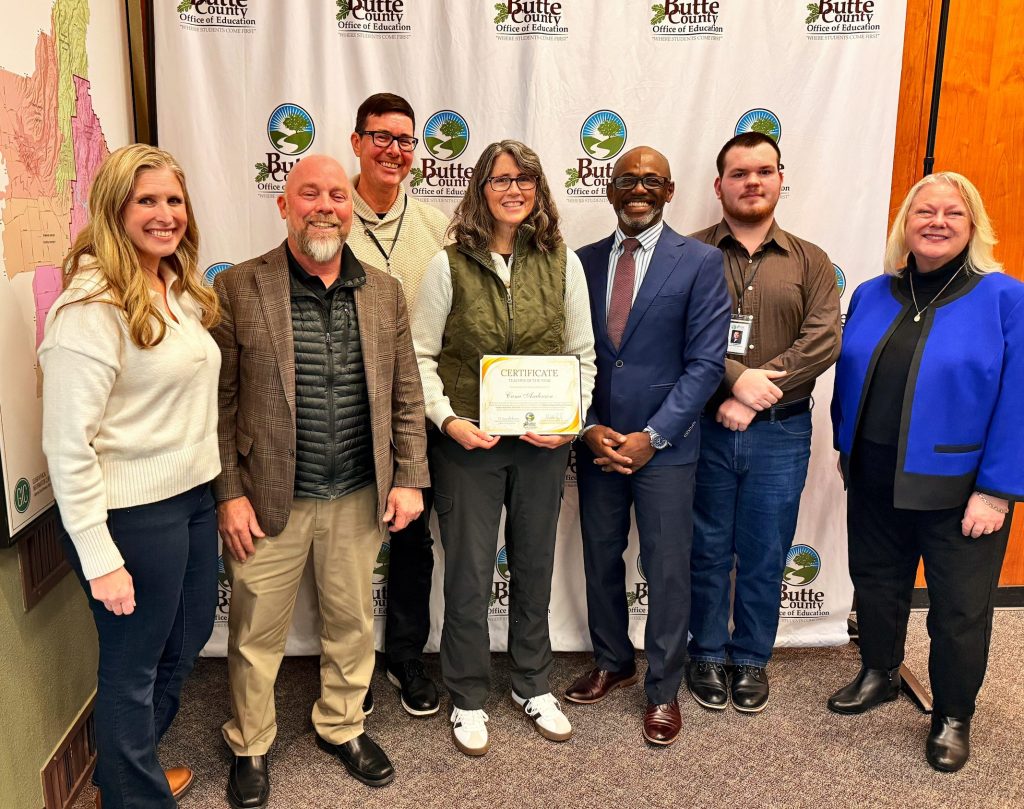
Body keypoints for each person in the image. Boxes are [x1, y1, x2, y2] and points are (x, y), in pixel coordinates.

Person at [213, 154, 428, 805]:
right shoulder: (239, 287)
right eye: (311, 193)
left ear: (351, 207)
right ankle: (250, 742)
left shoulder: (384, 290)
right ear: (285, 205)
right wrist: (229, 492)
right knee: (254, 633)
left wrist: (410, 476)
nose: (326, 206)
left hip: (358, 493)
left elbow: (407, 394)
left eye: (338, 194)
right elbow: (217, 402)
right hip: (268, 496)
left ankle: (342, 723)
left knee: (351, 620)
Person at [39, 144, 221, 808]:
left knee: (189, 637)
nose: (165, 213)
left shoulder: (174, 288)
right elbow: (66, 445)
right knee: (133, 669)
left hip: (192, 501)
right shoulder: (90, 307)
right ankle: (132, 793)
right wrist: (98, 555)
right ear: (116, 209)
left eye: (174, 199)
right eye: (147, 200)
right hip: (131, 516)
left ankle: (129, 764)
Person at [828, 172, 1023, 772]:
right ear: (905, 225)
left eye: (953, 214)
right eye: (924, 212)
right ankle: (880, 672)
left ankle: (953, 714)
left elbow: (1019, 399)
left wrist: (996, 491)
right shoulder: (871, 292)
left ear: (973, 228)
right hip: (874, 475)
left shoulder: (1005, 298)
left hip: (960, 491)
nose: (937, 222)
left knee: (959, 608)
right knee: (878, 584)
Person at [412, 140, 596, 756]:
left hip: (542, 445)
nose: (513, 190)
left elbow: (581, 356)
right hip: (469, 444)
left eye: (525, 180)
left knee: (535, 563)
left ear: (539, 189)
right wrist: (447, 420)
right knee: (467, 572)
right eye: (499, 179)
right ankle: (467, 693)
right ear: (480, 189)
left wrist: (570, 421)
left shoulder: (561, 262)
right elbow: (421, 357)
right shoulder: (448, 264)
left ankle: (531, 682)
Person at [564, 147, 730, 745]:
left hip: (667, 446)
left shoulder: (701, 262)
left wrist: (653, 436)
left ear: (670, 190)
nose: (639, 189)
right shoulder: (578, 263)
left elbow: (707, 364)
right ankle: (613, 660)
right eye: (628, 180)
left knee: (665, 568)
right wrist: (586, 426)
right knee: (600, 557)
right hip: (598, 441)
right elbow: (566, 355)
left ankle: (663, 688)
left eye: (651, 181)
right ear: (610, 190)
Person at [687, 132, 842, 713]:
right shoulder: (691, 252)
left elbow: (823, 340)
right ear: (719, 185)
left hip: (781, 431)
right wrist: (733, 378)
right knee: (705, 545)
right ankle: (704, 650)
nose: (753, 182)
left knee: (766, 548)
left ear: (781, 179)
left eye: (764, 171)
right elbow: (682, 335)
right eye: (740, 173)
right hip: (703, 426)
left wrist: (753, 394)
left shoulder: (812, 260)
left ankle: (750, 657)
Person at [347, 92, 448, 717]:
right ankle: (347, 664)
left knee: (413, 542)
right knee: (346, 545)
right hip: (346, 410)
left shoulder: (439, 226)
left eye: (406, 141)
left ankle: (405, 655)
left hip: (419, 412)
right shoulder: (330, 217)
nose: (394, 150)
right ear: (357, 141)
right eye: (381, 137)